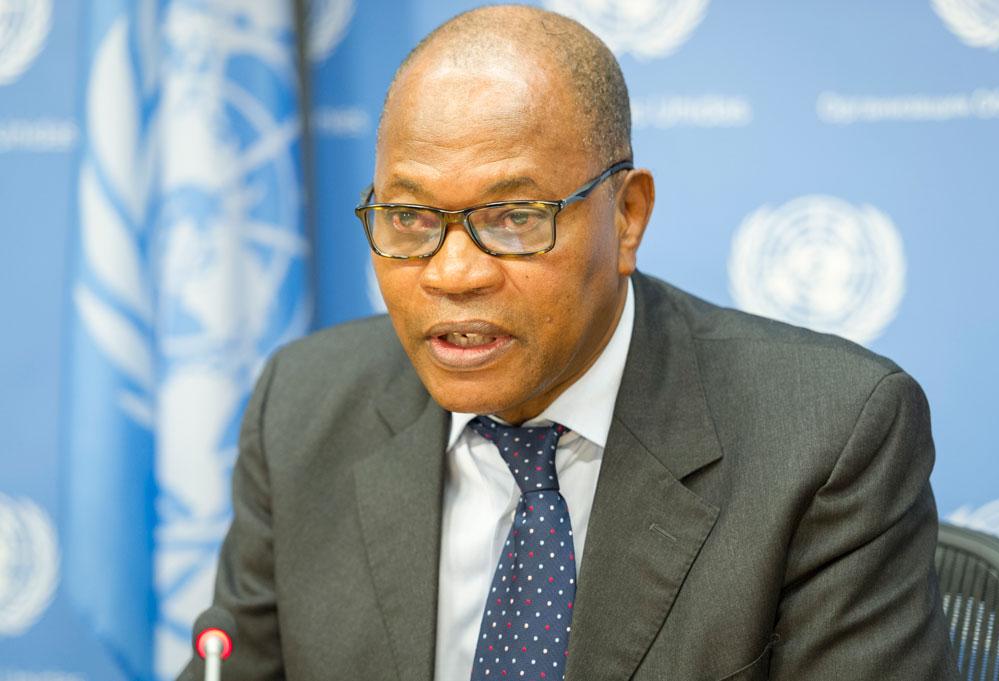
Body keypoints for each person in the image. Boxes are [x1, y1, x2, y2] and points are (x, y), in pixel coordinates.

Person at [179, 5, 958, 680]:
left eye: (514, 217)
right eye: (409, 218)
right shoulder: (303, 405)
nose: (452, 272)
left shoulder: (825, 435)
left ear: (627, 217)